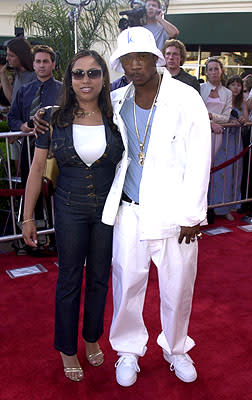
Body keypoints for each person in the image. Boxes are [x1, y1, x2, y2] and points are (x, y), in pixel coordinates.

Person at [108, 27, 211, 387]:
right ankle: (127, 351)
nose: (134, 66)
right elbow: (77, 112)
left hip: (174, 212)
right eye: (127, 59)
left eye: (141, 58)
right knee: (126, 283)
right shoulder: (116, 98)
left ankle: (177, 348)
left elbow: (200, 156)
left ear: (156, 58)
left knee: (178, 285)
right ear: (120, 64)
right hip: (129, 210)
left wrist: (193, 215)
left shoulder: (185, 98)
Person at [22, 49, 124, 382]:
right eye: (78, 73)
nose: (85, 80)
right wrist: (27, 218)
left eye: (93, 73)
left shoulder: (118, 117)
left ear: (103, 78)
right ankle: (67, 348)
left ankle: (91, 337)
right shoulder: (53, 118)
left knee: (99, 278)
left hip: (107, 212)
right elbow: (38, 168)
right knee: (69, 280)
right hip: (68, 209)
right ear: (69, 79)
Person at [8, 44, 62, 188]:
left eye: (45, 61)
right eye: (38, 61)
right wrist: (21, 126)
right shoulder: (23, 91)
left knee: (54, 193)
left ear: (53, 64)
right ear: (33, 64)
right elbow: (12, 117)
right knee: (30, 189)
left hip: (55, 149)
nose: (41, 65)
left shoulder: (63, 91)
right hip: (29, 149)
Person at [200, 58, 233, 220]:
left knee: (214, 171)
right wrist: (210, 122)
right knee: (200, 171)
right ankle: (201, 210)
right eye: (210, 69)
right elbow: (196, 112)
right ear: (206, 72)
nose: (213, 72)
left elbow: (226, 117)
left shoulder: (227, 93)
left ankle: (214, 208)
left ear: (221, 71)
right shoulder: (200, 89)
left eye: (216, 69)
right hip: (200, 132)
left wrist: (212, 116)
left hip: (217, 136)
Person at [0, 37, 36, 172]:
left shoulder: (34, 75)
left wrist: (21, 130)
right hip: (16, 130)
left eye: (11, 55)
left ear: (21, 56)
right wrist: (2, 74)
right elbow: (12, 100)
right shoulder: (19, 75)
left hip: (26, 134)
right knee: (19, 173)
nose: (8, 59)